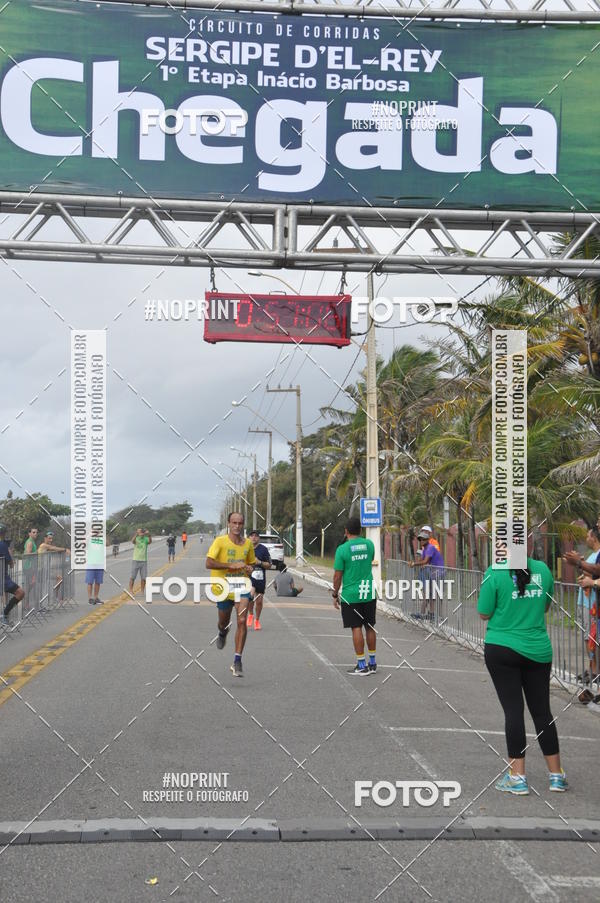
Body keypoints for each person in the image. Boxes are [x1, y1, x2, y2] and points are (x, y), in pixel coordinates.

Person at [477, 551, 567, 794]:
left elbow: (484, 612)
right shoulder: (544, 570)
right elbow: (545, 606)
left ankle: (517, 777)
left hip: (502, 648)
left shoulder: (494, 571)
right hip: (538, 649)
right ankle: (556, 775)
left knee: (513, 711)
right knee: (542, 712)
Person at [206, 512, 255, 677]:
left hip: (241, 585)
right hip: (222, 587)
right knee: (223, 622)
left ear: (243, 525)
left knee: (242, 620)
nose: (237, 526)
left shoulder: (248, 544)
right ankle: (222, 632)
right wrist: (230, 565)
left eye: (240, 523)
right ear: (229, 523)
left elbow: (251, 564)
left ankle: (237, 660)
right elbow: (209, 562)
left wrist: (249, 568)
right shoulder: (220, 541)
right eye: (234, 522)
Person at [332, 517, 377, 676]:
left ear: (346, 531)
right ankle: (372, 663)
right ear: (361, 530)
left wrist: (335, 593)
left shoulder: (342, 549)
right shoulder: (370, 544)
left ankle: (361, 664)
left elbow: (338, 576)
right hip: (369, 592)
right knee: (370, 625)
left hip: (351, 595)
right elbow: (370, 560)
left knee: (356, 627)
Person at [570, 527, 600, 687]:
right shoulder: (593, 555)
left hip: (592, 604)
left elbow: (593, 573)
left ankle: (595, 673)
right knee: (587, 638)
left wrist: (579, 563)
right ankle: (592, 670)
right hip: (584, 602)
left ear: (594, 538)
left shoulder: (597, 555)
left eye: (588, 536)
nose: (586, 538)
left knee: (592, 638)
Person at [409, 531, 445, 619]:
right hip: (432, 572)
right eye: (420, 540)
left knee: (429, 593)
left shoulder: (430, 548)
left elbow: (425, 561)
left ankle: (425, 613)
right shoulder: (425, 549)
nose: (421, 541)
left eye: (422, 540)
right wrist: (417, 563)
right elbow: (422, 560)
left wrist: (414, 564)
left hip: (438, 572)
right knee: (429, 593)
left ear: (427, 540)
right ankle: (430, 613)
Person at [246, 529, 271, 630]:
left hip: (260, 578)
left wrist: (260, 562)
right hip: (248, 577)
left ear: (259, 538)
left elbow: (269, 565)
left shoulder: (263, 549)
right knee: (250, 597)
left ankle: (257, 620)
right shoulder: (246, 549)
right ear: (248, 537)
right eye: (251, 536)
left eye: (256, 536)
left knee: (259, 601)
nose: (254, 537)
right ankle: (251, 614)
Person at [0, 524, 25, 626]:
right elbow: (11, 564)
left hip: (4, 577)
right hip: (2, 577)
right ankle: (4, 615)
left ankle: (4, 615)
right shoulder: (2, 544)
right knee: (20, 593)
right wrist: (10, 553)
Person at [86, 523, 105, 605]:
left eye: (97, 530)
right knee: (90, 581)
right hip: (91, 563)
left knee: (98, 581)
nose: (96, 532)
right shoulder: (89, 538)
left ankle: (96, 597)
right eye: (94, 530)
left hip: (100, 563)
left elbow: (107, 543)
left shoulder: (101, 539)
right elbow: (84, 543)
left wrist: (101, 535)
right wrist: (90, 534)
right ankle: (90, 598)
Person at [129, 528, 152, 596]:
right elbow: (132, 541)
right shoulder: (137, 538)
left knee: (143, 578)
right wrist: (136, 534)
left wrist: (149, 535)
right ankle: (130, 590)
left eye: (142, 532)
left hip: (143, 561)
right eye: (140, 532)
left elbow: (150, 542)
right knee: (133, 577)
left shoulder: (146, 538)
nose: (141, 534)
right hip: (135, 560)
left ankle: (142, 591)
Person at [23, 526, 39, 609]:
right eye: (33, 532)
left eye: (36, 532)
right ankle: (26, 604)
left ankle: (27, 603)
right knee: (30, 585)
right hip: (29, 567)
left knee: (31, 585)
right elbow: (27, 555)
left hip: (31, 567)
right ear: (29, 533)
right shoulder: (30, 542)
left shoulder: (32, 541)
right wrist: (36, 552)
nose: (35, 533)